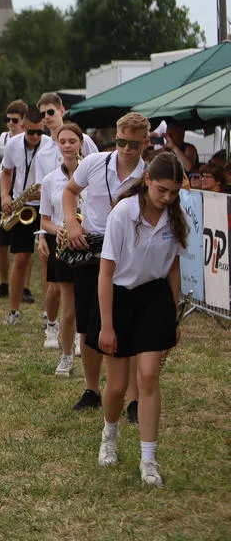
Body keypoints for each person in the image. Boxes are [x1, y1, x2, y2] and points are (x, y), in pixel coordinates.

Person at [91, 152, 187, 486]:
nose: (167, 198)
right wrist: (106, 324)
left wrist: (171, 319)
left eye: (174, 192)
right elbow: (105, 273)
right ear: (147, 180)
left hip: (155, 300)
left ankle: (149, 459)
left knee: (148, 377)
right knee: (117, 386)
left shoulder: (174, 217)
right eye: (162, 190)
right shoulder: (123, 213)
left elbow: (173, 269)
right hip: (119, 298)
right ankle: (110, 434)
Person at [63, 112, 150, 415]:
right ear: (115, 137)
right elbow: (70, 191)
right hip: (92, 249)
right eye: (121, 142)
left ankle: (134, 399)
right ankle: (91, 389)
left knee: (129, 324)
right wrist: (72, 224)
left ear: (145, 143)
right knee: (88, 325)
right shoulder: (94, 163)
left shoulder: (147, 175)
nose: (126, 149)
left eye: (133, 144)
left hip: (128, 255)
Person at [0, 110, 56, 327]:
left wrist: (45, 194)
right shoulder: (13, 144)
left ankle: (47, 312)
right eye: (31, 132)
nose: (35, 137)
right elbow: (6, 172)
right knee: (21, 258)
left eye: (39, 132)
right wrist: (5, 196)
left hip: (45, 207)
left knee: (45, 259)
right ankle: (13, 310)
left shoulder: (51, 145)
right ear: (23, 128)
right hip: (21, 206)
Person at [38, 123, 85, 376]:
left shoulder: (93, 173)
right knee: (68, 309)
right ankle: (66, 356)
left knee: (89, 305)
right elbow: (44, 219)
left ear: (81, 143)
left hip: (89, 245)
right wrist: (60, 231)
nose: (67, 146)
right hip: (64, 246)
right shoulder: (49, 180)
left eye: (72, 141)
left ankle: (86, 346)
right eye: (63, 141)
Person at [0, 100, 29, 300]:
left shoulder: (30, 140)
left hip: (23, 197)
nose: (10, 123)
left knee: (23, 247)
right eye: (8, 119)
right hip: (4, 197)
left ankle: (25, 287)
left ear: (23, 121)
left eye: (15, 120)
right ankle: (4, 283)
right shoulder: (1, 139)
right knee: (2, 244)